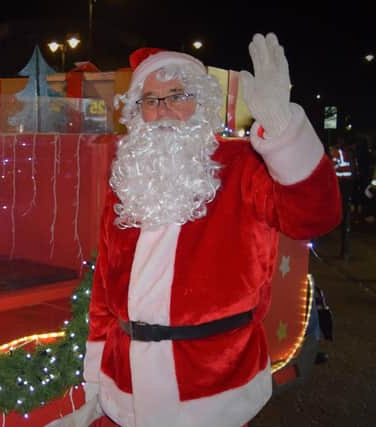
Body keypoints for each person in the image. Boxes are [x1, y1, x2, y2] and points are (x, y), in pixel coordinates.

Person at [55, 33, 342, 427]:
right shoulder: (128, 177)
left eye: (177, 95)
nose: (164, 110)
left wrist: (281, 129)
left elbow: (315, 217)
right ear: (137, 111)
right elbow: (105, 289)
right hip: (127, 385)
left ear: (202, 103)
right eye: (151, 100)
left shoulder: (244, 165)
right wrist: (95, 375)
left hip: (211, 387)